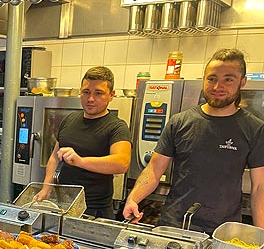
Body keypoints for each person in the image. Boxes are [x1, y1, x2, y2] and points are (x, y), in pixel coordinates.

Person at [123, 48, 264, 234]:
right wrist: (133, 198)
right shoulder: (179, 122)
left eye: (228, 79)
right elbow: (154, 170)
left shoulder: (254, 128)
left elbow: (259, 188)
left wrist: (261, 233)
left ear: (242, 82)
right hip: (174, 225)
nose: (217, 86)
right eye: (212, 79)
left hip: (222, 232)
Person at [34, 66, 132, 219]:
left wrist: (80, 161)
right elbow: (54, 156)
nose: (90, 99)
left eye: (98, 93)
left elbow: (121, 163)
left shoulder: (117, 127)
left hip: (94, 211)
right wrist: (47, 187)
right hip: (63, 206)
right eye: (86, 92)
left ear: (111, 95)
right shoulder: (70, 119)